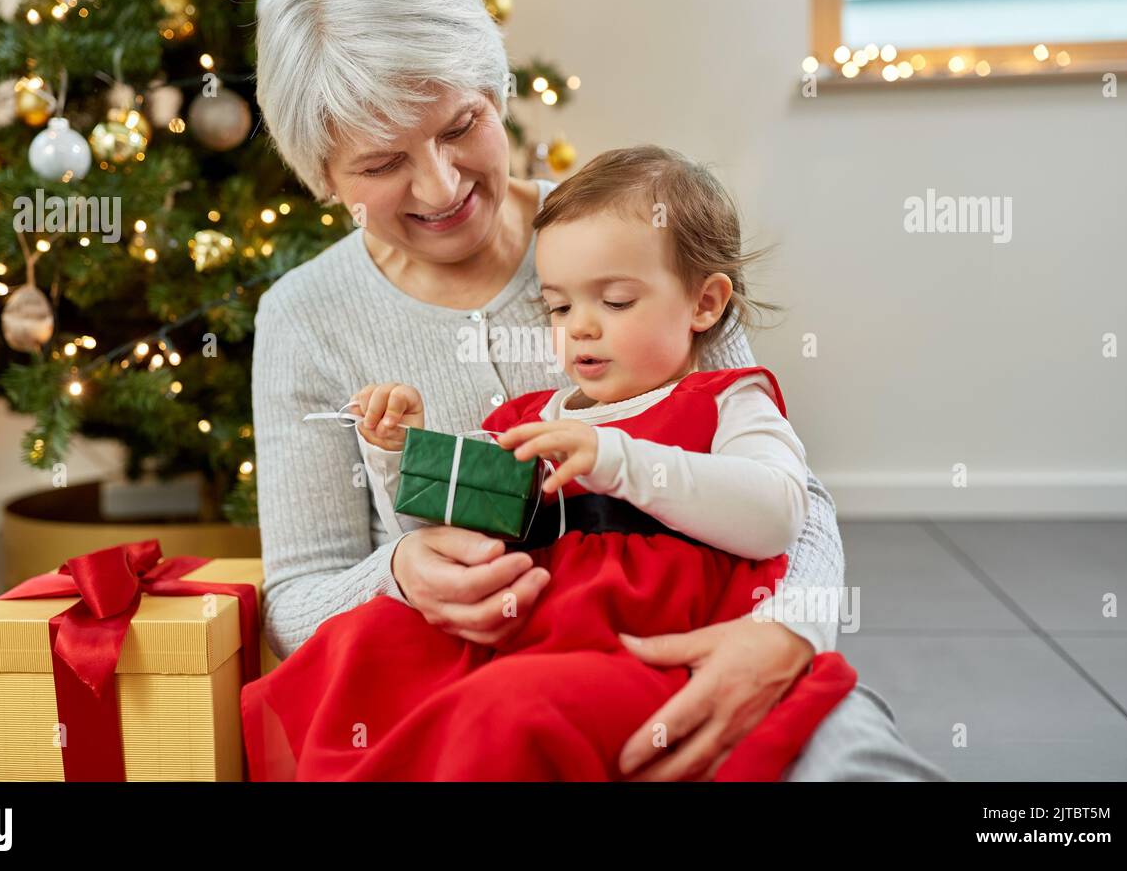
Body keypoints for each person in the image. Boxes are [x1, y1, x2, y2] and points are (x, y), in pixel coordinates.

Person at [251, 0, 946, 780]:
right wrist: (397, 571)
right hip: (490, 696)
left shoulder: (627, 239)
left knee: (851, 763)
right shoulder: (304, 317)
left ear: (496, 90)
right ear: (323, 174)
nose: (440, 184)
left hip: (715, 637)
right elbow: (297, 595)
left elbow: (789, 497)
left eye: (461, 124)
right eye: (382, 162)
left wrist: (782, 634)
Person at [241, 145, 861, 780]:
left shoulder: (725, 398)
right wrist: (400, 455)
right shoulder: (532, 417)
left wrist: (617, 458)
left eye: (616, 302)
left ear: (705, 305)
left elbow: (779, 513)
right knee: (366, 644)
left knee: (505, 711)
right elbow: (453, 536)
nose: (581, 328)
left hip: (641, 648)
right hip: (528, 631)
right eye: (560, 308)